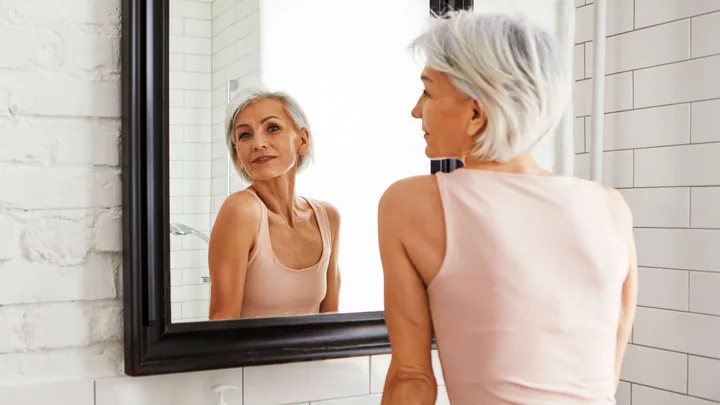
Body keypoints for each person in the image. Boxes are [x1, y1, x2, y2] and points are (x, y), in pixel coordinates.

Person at [378, 10, 637, 405]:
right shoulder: (611, 208)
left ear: (476, 113)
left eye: (428, 92)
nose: (417, 110)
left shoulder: (411, 203)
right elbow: (607, 376)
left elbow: (411, 378)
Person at [208, 88, 341, 320]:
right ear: (238, 155)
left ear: (302, 140)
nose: (258, 143)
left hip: (315, 358)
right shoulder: (241, 211)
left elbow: (330, 321)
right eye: (245, 135)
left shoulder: (327, 218)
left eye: (272, 128)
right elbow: (222, 322)